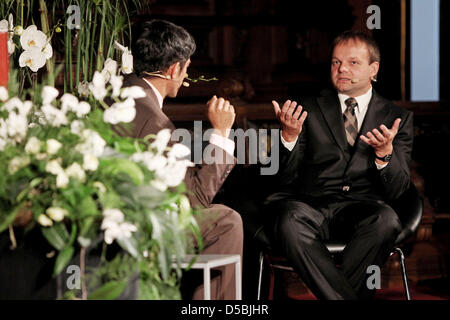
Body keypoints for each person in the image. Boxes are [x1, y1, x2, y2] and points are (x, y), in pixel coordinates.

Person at [266, 30, 413, 300]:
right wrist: (288, 137)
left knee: (387, 220)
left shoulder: (397, 117)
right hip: (311, 208)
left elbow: (400, 190)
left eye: (353, 62)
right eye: (336, 62)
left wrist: (384, 154)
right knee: (287, 219)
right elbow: (279, 179)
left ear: (374, 69)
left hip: (363, 212)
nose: (342, 68)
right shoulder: (304, 109)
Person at [120, 19, 243, 300]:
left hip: (115, 215)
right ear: (175, 69)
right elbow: (195, 198)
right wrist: (222, 133)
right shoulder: (154, 120)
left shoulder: (118, 95)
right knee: (227, 220)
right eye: (186, 67)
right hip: (140, 227)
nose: (186, 75)